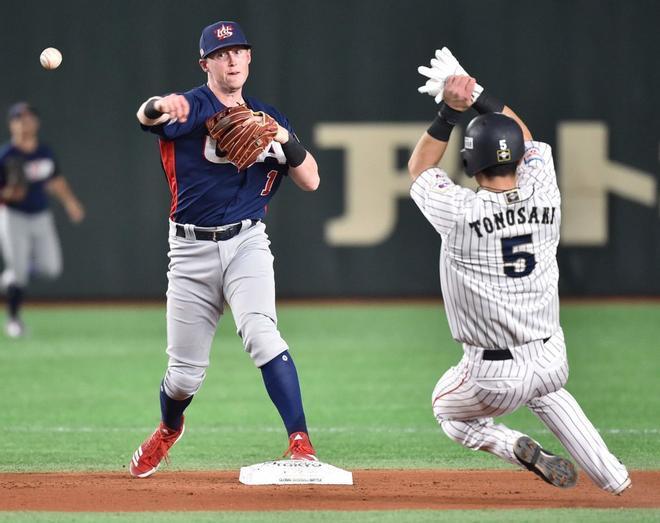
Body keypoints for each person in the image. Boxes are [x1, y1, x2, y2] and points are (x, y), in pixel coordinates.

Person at [408, 50, 630, 494]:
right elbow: (524, 138)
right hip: (551, 356)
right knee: (546, 391)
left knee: (447, 412)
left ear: (470, 164)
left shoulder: (460, 211)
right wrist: (477, 94)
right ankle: (617, 479)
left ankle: (515, 445)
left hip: (490, 375)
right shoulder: (545, 190)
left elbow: (419, 169)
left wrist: (448, 112)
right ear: (517, 160)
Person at [129, 20, 320, 478]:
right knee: (183, 377)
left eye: (238, 51)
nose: (232, 59)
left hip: (248, 241)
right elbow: (146, 116)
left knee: (261, 333)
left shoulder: (268, 116)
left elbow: (311, 179)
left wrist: (284, 139)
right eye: (221, 53)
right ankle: (168, 429)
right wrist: (159, 104)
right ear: (206, 64)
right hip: (191, 251)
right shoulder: (192, 107)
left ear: (249, 58)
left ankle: (301, 442)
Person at [0, 102, 85, 338]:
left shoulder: (44, 152)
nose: (25, 122)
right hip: (12, 216)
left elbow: (55, 180)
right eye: (19, 118)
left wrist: (70, 202)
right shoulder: (6, 155)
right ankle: (14, 320)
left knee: (51, 268)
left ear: (36, 123)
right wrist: (8, 193)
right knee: (18, 274)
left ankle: (12, 275)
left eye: (29, 118)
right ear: (12, 124)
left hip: (40, 216)